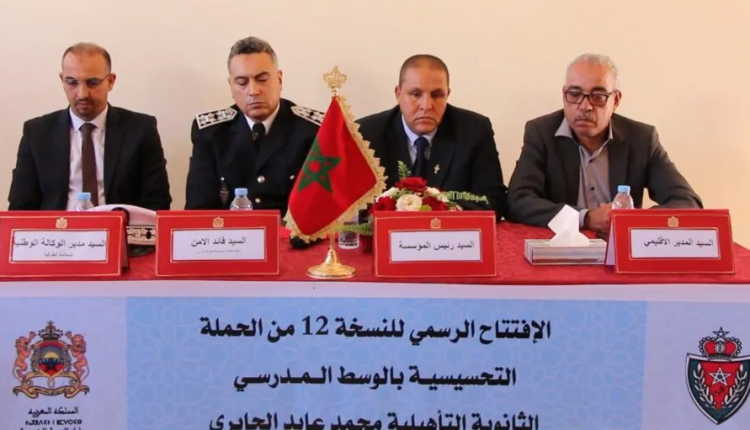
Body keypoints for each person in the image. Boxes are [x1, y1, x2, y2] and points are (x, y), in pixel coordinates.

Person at [506, 53, 702, 234]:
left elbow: (688, 202)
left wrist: (632, 220)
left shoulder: (641, 139)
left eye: (598, 97)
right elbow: (517, 201)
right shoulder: (541, 133)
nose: (585, 106)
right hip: (562, 245)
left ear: (615, 100)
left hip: (620, 248)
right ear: (564, 94)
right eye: (574, 94)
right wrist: (585, 218)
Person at [8, 42, 172, 211]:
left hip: (121, 226)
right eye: (72, 82)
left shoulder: (140, 130)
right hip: (58, 227)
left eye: (92, 82)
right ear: (62, 80)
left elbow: (157, 203)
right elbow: (20, 207)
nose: (82, 94)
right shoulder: (37, 133)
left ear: (110, 81)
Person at [356, 54, 507, 219]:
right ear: (398, 93)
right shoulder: (366, 134)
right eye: (415, 94)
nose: (426, 105)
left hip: (449, 233)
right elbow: (351, 206)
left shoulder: (474, 130)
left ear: (447, 94)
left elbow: (493, 200)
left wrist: (442, 210)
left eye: (437, 95)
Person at [185, 36, 323, 216]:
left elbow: (322, 208)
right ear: (231, 86)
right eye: (242, 83)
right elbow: (199, 210)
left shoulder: (313, 130)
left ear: (279, 79)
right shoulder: (211, 132)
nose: (253, 91)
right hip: (231, 233)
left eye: (262, 79)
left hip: (291, 233)